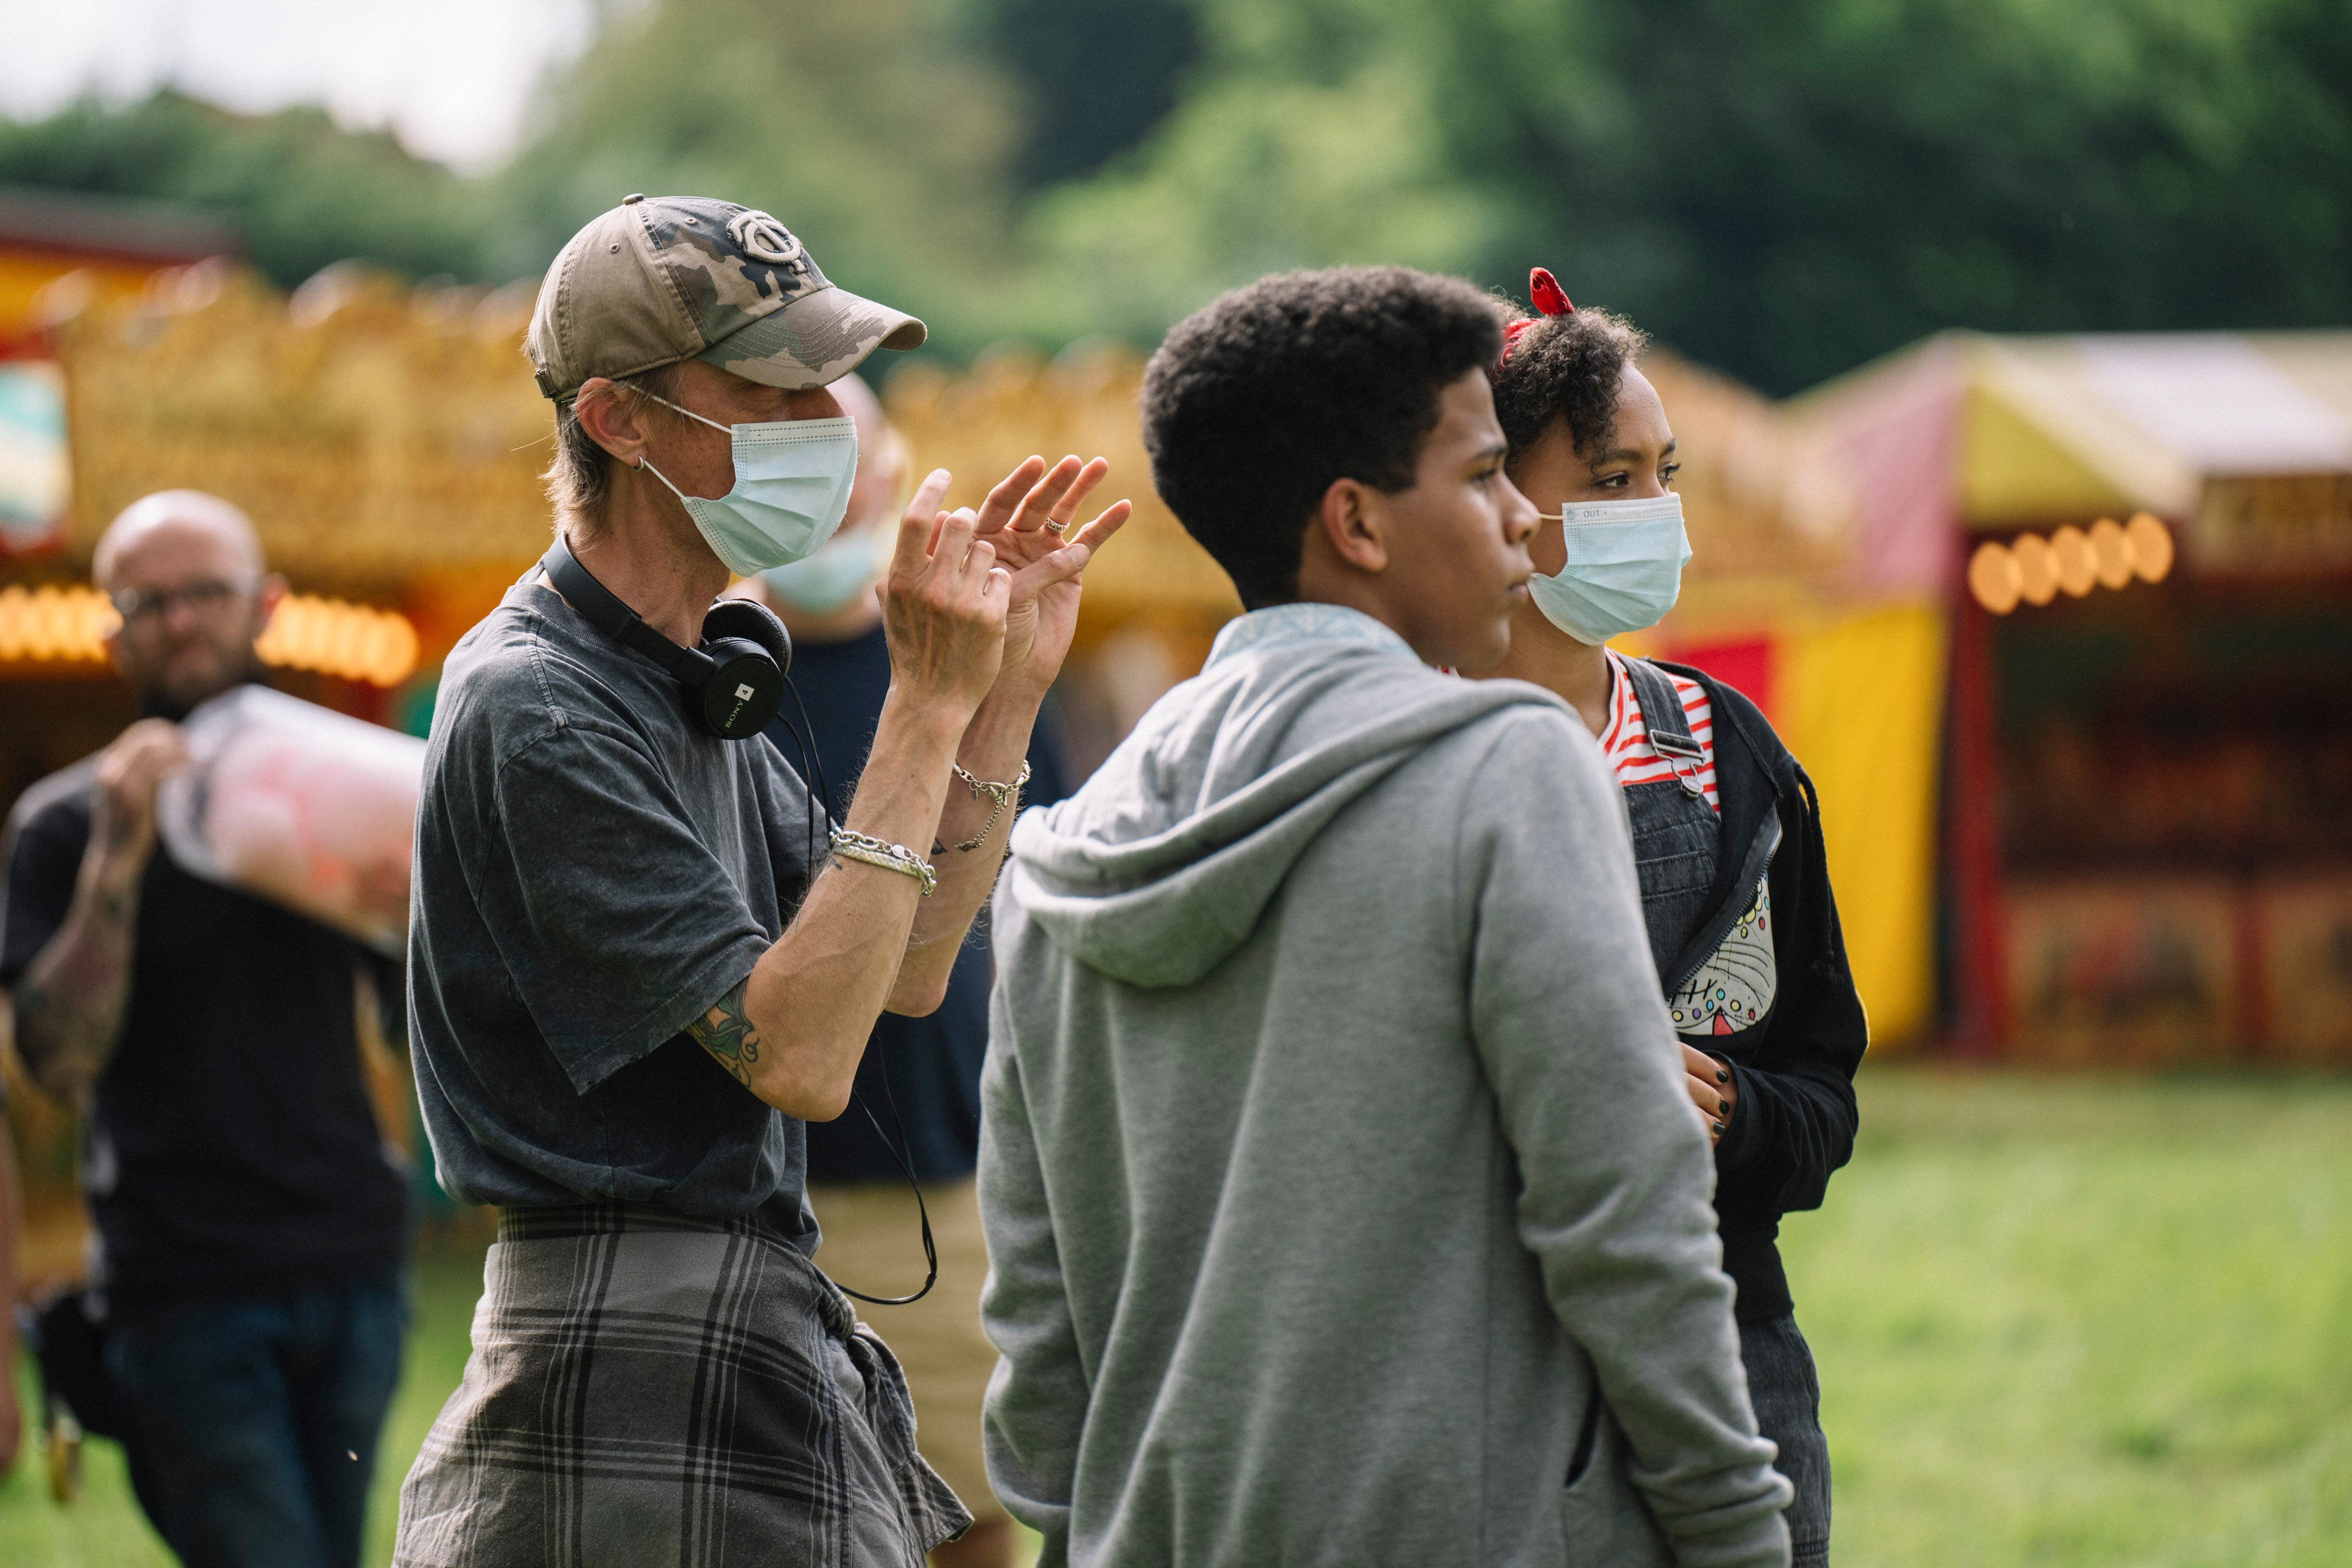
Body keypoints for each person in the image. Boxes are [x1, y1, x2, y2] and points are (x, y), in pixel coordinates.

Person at [979, 266, 1793, 1567]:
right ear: (1356, 522)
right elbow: (1626, 1228)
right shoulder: (1510, 769)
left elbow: (1035, 1327)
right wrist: (1739, 1536)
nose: (1529, 518)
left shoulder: (1054, 854)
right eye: (1483, 477)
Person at [394, 195, 1127, 1568]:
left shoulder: (704, 661)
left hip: (738, 1313)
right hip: (623, 1344)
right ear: (616, 417)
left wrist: (1003, 698)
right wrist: (920, 703)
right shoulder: (541, 701)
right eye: (771, 384)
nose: (825, 424)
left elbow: (900, 973)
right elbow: (798, 1054)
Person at [1482, 269, 1867, 1568]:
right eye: (1610, 480)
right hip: (1476, 1371)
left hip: (1727, 1351)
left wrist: (1735, 1114)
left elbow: (1825, 1090)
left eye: (1665, 472)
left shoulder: (1730, 755)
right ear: (1493, 497)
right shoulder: (1394, 751)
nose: (1655, 512)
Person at [0, 489, 410, 1568]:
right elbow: (56, 1059)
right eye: (150, 599)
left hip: (351, 1259)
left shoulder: (334, 800)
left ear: (267, 606)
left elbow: (420, 1023)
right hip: (181, 1279)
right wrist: (116, 863)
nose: (181, 620)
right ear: (111, 627)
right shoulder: (63, 823)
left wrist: (410, 910)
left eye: (207, 594)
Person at [737, 371, 1072, 1568]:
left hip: (945, 1172)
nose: (831, 501)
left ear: (894, 480)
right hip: (752, 1188)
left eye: (848, 467)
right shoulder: (705, 672)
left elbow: (1009, 911)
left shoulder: (962, 661)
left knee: (971, 1525)